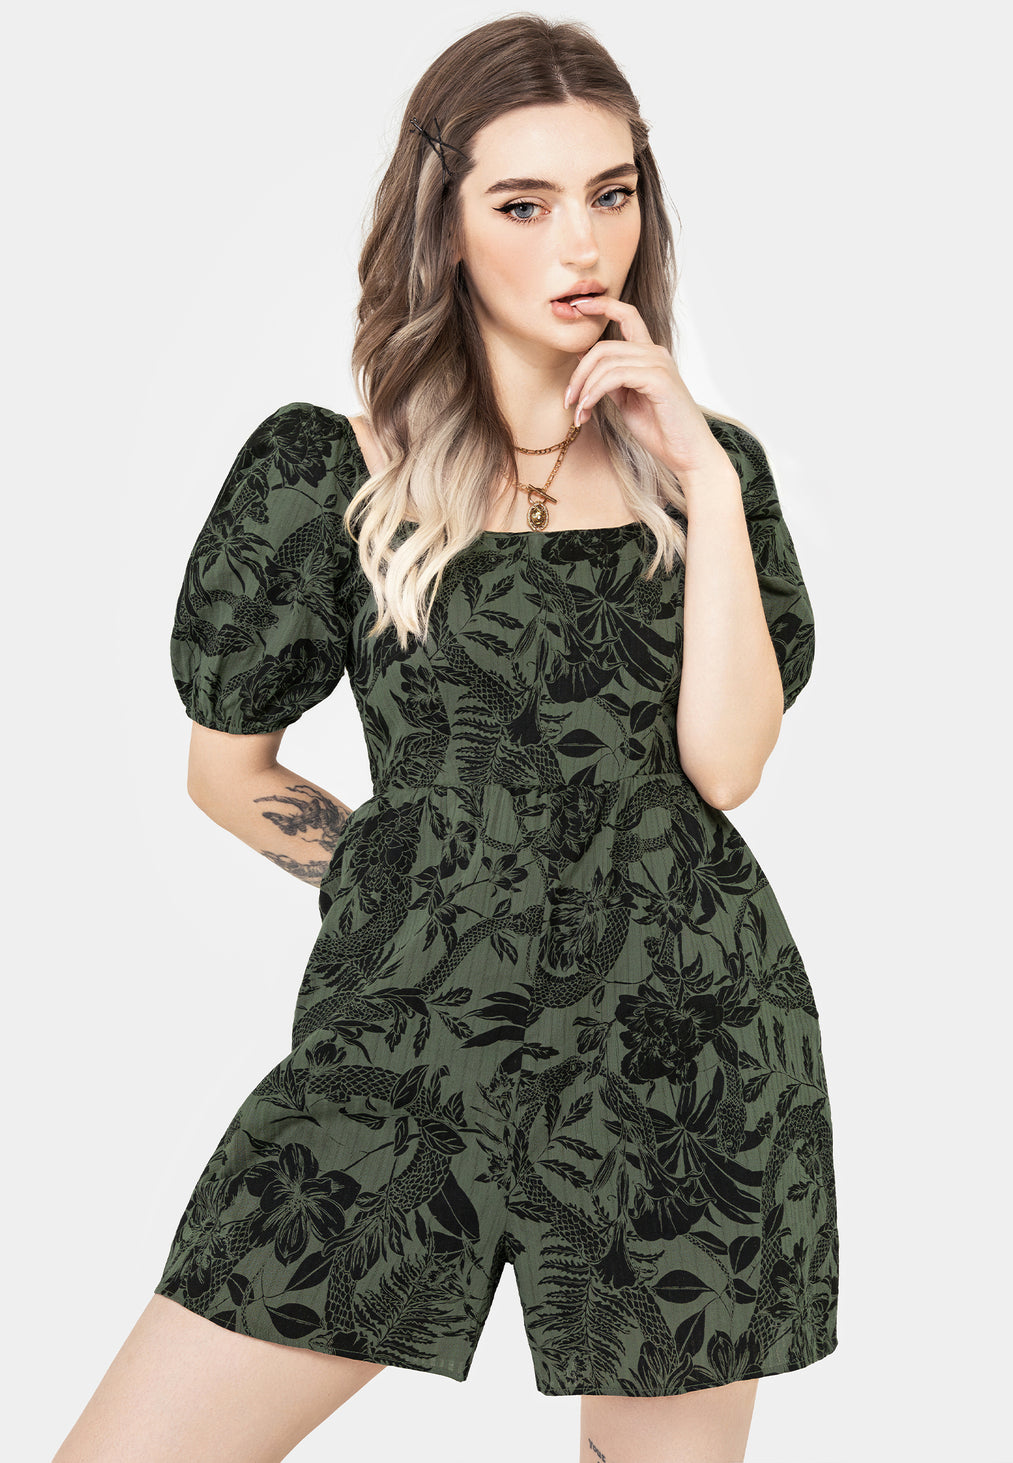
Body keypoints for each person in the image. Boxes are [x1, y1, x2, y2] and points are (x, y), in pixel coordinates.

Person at [53, 14, 838, 1463]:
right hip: (406, 1050)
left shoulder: (710, 479)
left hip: (681, 1052)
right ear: (445, 225)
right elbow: (227, 774)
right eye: (524, 204)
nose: (582, 244)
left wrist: (706, 480)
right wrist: (405, 879)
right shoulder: (332, 477)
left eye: (611, 193)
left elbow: (727, 767)